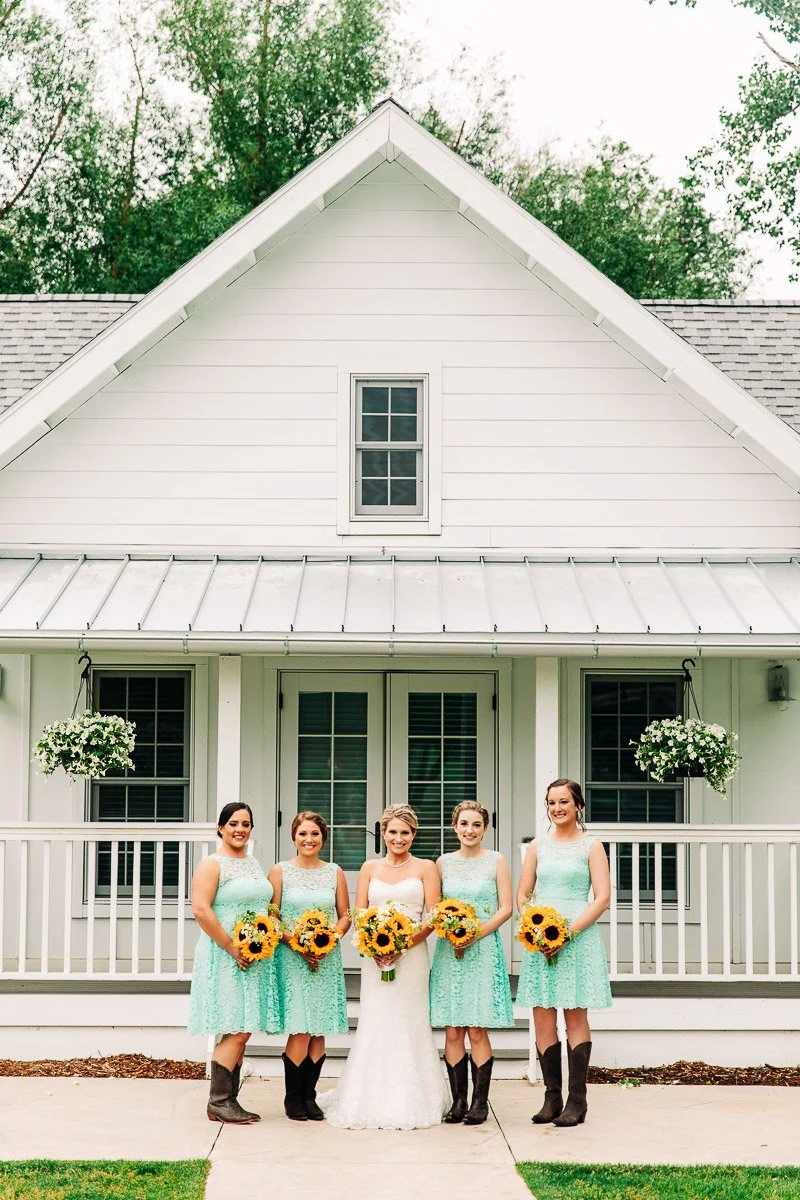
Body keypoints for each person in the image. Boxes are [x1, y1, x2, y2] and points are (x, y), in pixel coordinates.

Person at [318, 804, 450, 1129]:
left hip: (413, 955)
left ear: (414, 834)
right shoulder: (369, 868)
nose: (398, 838)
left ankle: (417, 1096)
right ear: (383, 833)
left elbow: (432, 917)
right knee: (376, 1019)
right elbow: (358, 913)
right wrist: (376, 946)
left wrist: (402, 944)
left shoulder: (426, 867)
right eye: (392, 831)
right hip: (374, 958)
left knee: (409, 1018)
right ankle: (367, 1095)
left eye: (405, 832)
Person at [516, 779, 611, 1127]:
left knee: (574, 1017)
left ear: (578, 806)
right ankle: (551, 1097)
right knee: (543, 1015)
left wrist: (568, 932)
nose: (557, 808)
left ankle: (577, 1099)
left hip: (577, 937)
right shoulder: (537, 847)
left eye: (564, 802)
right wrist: (536, 928)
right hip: (540, 939)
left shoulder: (591, 846)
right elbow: (523, 894)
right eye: (552, 802)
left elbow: (602, 897)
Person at [188, 802, 280, 1124]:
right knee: (237, 1028)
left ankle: (230, 1100)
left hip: (251, 957)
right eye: (233, 823)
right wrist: (231, 947)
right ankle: (219, 1100)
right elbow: (200, 909)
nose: (240, 829)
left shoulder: (253, 864)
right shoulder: (212, 865)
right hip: (224, 955)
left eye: (246, 824)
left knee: (242, 1028)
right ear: (220, 828)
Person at [429, 800, 514, 1125]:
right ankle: (458, 1101)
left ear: (485, 828)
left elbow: (505, 908)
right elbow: (435, 907)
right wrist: (451, 933)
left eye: (476, 825)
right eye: (464, 824)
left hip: (482, 948)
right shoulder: (443, 863)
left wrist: (474, 933)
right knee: (452, 1029)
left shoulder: (497, 861)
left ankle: (480, 1102)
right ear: (455, 827)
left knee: (477, 1028)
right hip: (450, 950)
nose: (470, 830)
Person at [269, 811, 350, 1122]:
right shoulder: (280, 871)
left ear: (323, 838)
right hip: (292, 956)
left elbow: (345, 915)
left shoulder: (334, 872)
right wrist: (297, 943)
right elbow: (272, 916)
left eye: (315, 834)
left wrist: (331, 938)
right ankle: (292, 1097)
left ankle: (309, 1096)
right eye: (303, 833)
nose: (309, 839)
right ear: (294, 836)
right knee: (301, 1025)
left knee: (319, 1026)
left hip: (325, 957)